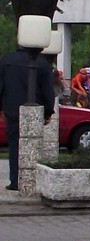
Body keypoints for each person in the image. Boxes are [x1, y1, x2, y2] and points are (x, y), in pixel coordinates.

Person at [0, 47, 55, 191]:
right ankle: (31, 180)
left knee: (14, 145)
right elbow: (48, 90)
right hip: (35, 111)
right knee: (33, 146)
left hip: (11, 109)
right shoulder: (42, 63)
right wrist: (48, 111)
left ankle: (15, 180)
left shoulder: (6, 60)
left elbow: (1, 86)